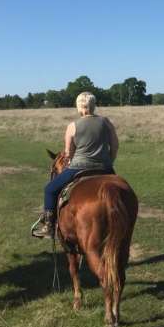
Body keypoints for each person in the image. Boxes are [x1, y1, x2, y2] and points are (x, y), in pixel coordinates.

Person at [31, 92, 119, 239]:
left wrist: (71, 159)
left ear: (79, 107)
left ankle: (49, 226)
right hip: (105, 168)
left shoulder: (72, 126)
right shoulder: (107, 122)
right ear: (93, 105)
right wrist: (109, 161)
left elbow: (68, 153)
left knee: (50, 189)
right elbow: (115, 146)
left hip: (78, 167)